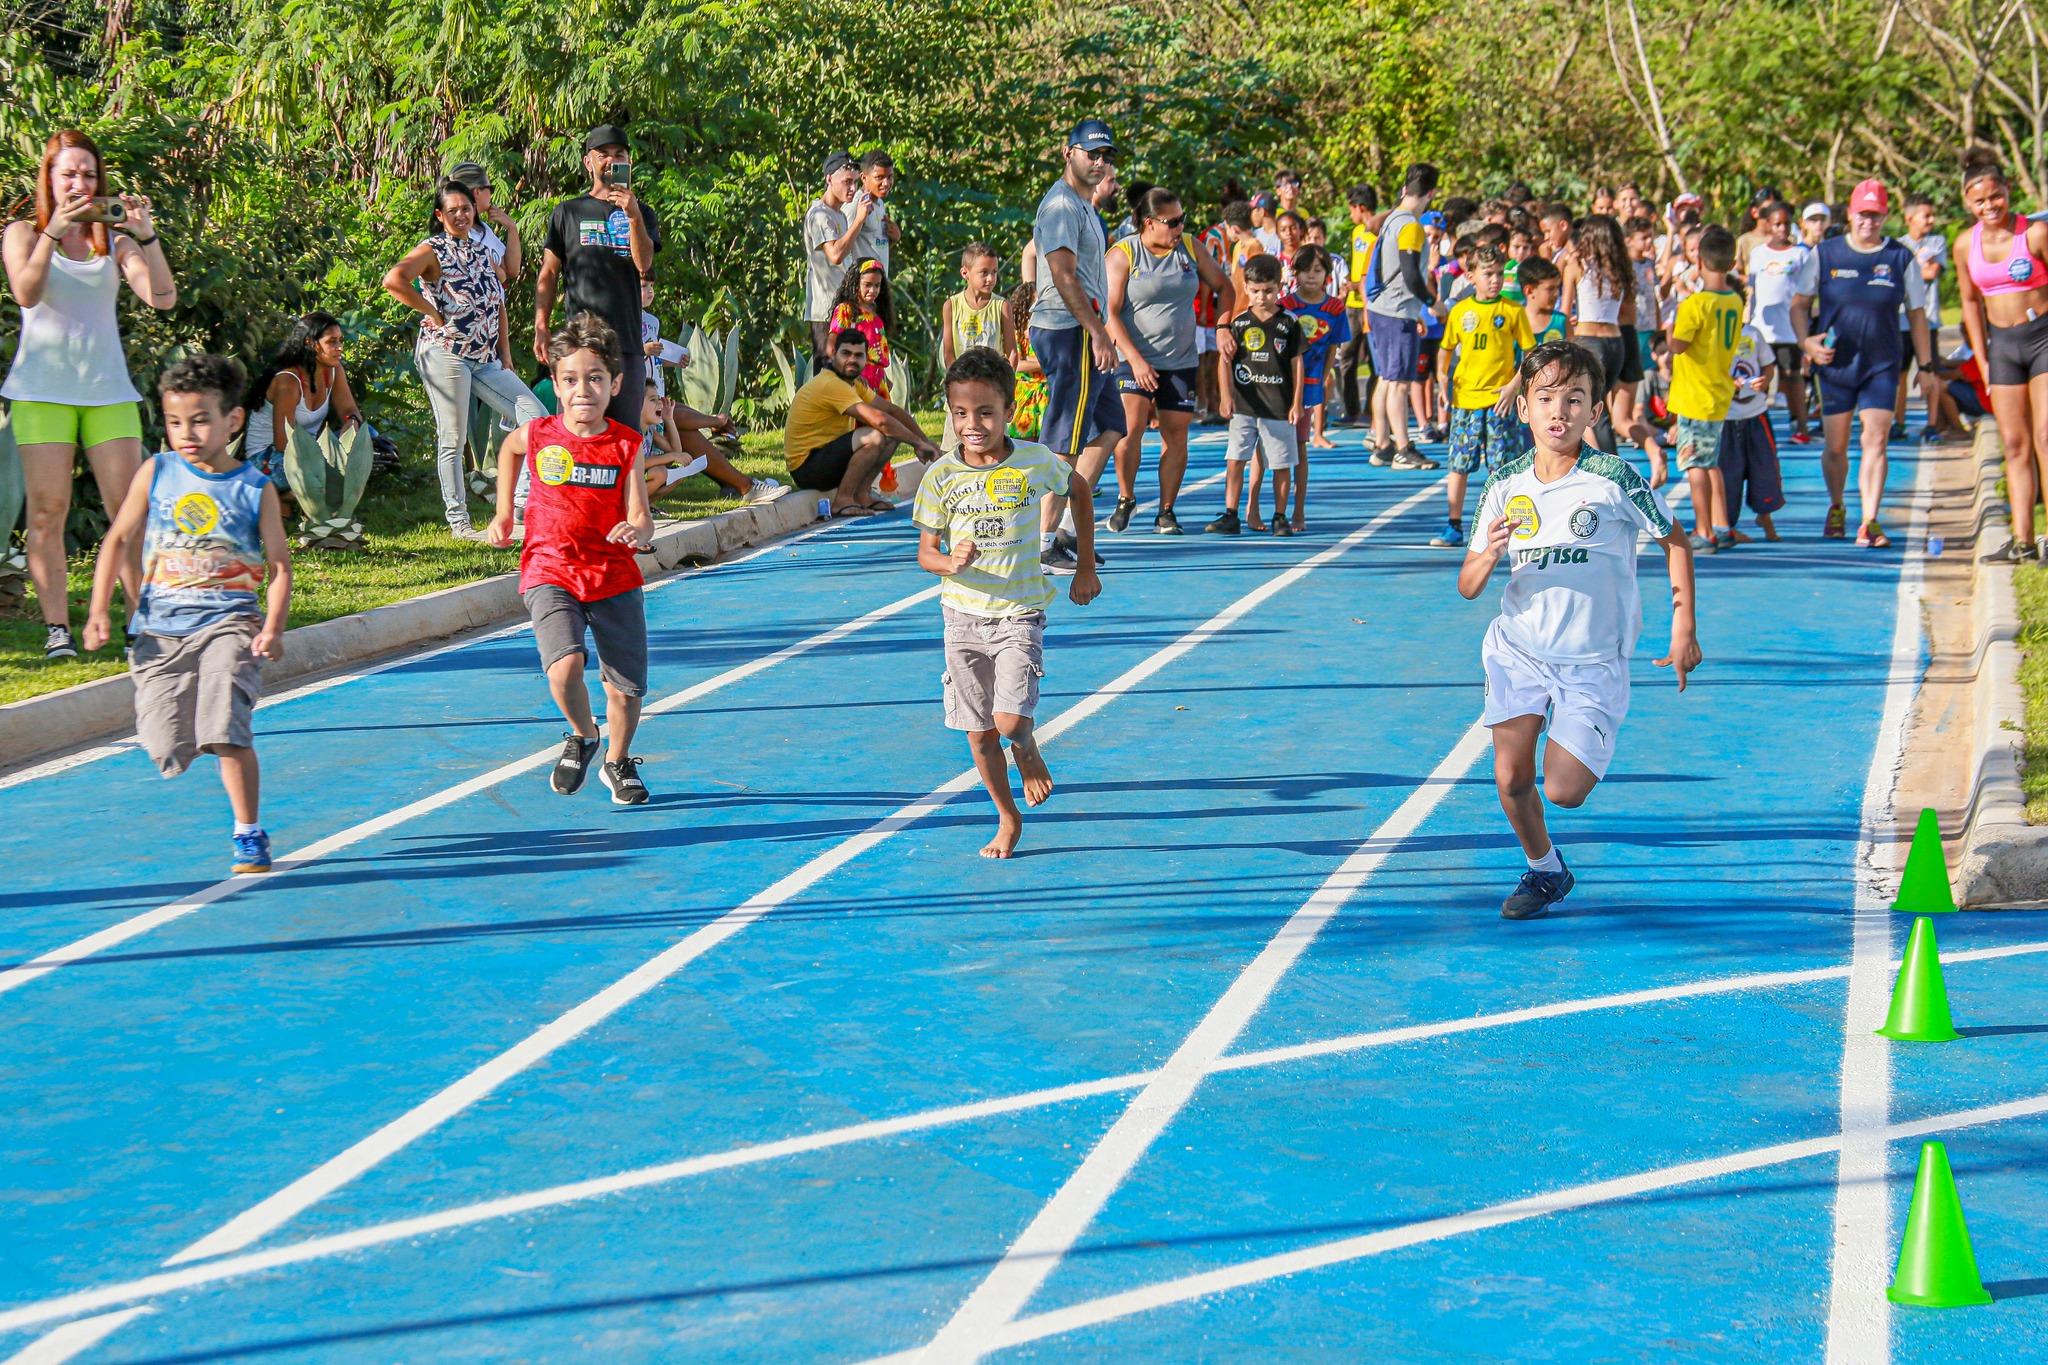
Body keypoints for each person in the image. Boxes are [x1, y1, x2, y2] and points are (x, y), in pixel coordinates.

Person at [1458, 340, 1700, 920]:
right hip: (1519, 648)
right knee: (1511, 777)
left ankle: (1568, 758)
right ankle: (1546, 871)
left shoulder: (1613, 479)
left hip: (1592, 659)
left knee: (1564, 790)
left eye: (1574, 398)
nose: (1558, 410)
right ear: (1525, 409)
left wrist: (1682, 624)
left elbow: (1676, 541)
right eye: (1545, 398)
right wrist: (1487, 558)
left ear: (1596, 412)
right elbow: (1467, 587)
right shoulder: (1503, 485)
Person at [83, 355, 290, 874]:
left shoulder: (255, 488)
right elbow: (118, 540)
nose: (186, 432)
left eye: (200, 420)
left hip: (229, 625)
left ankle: (248, 833)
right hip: (159, 630)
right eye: (175, 422)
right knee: (165, 746)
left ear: (232, 421)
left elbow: (280, 566)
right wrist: (97, 612)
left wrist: (272, 626)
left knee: (224, 730)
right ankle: (189, 730)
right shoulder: (157, 471)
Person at [913, 346, 1100, 859]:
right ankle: (1006, 815)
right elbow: (926, 552)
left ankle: (1027, 747)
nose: (972, 424)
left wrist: (1083, 564)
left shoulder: (1036, 460)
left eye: (985, 412)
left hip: (1020, 613)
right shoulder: (941, 478)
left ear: (1009, 412)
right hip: (962, 618)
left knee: (1011, 723)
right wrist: (951, 562)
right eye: (960, 413)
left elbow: (1079, 492)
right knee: (977, 735)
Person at [2, 128, 177, 660]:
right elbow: (26, 294)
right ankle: (58, 630)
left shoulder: (112, 240)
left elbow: (163, 299)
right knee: (46, 512)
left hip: (108, 392)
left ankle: (136, 623)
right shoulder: (21, 233)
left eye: (88, 174)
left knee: (127, 511)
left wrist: (146, 237)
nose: (79, 182)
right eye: (69, 173)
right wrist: (53, 233)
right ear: (49, 179)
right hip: (41, 392)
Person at [485, 313, 654, 805]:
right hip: (549, 570)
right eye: (572, 379)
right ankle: (583, 734)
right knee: (564, 667)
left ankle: (618, 762)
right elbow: (507, 450)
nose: (584, 390)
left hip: (612, 575)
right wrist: (502, 514)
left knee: (625, 690)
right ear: (556, 385)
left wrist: (635, 531)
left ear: (615, 384)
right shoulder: (538, 434)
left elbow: (641, 517)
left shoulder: (626, 444)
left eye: (596, 378)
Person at [386, 179, 549, 538]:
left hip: (485, 358)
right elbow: (394, 279)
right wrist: (433, 312)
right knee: (453, 438)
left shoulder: (479, 250)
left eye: (466, 208)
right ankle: (459, 521)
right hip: (446, 354)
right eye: (453, 210)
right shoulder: (432, 249)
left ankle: (521, 501)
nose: (461, 215)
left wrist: (504, 353)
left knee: (537, 418)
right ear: (440, 215)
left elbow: (498, 303)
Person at [1790, 178, 1931, 547]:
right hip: (1835, 364)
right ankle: (1837, 505)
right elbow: (1799, 305)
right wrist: (1807, 342)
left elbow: (1917, 314)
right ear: (1850, 215)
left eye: (1876, 215)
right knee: (1836, 447)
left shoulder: (1900, 258)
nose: (1868, 222)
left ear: (1885, 217)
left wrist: (1927, 367)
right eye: (1862, 214)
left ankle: (1870, 519)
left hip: (1882, 364)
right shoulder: (1826, 254)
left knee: (1876, 440)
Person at [1103, 187, 1230, 536]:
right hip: (1134, 359)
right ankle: (1126, 497)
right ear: (1149, 223)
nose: (1179, 227)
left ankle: (1166, 511)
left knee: (1176, 438)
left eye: (1182, 220)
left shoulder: (1190, 247)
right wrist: (1137, 360)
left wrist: (1223, 326)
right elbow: (1109, 315)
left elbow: (1225, 286)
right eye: (1172, 222)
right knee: (1129, 431)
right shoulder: (1123, 254)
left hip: (1180, 360)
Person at [1030, 118, 1126, 574]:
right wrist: (1097, 331)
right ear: (1068, 152)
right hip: (1068, 331)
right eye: (1092, 153)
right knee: (1065, 440)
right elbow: (1064, 277)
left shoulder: (1086, 205)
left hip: (1085, 330)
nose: (1100, 162)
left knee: (1110, 426)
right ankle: (1041, 543)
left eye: (1105, 155)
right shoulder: (1062, 206)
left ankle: (1067, 527)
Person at [535, 125, 661, 433]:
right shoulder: (568, 211)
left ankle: (624, 483)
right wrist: (541, 326)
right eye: (603, 154)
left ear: (629, 162)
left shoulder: (642, 213)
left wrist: (632, 216)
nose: (611, 160)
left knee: (625, 433)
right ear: (588, 163)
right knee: (579, 429)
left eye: (619, 155)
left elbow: (644, 264)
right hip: (580, 341)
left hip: (627, 342)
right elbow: (548, 274)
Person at [1957, 155, 2048, 563]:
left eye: (1997, 196)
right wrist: (1983, 358)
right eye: (1980, 201)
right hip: (2003, 348)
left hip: (2043, 337)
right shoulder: (1965, 244)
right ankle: (2023, 541)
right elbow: (1969, 302)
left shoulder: (2036, 234)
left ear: (2008, 192)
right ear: (1967, 202)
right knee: (2014, 443)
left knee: (2045, 437)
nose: (1990, 206)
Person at [1432, 244, 1533, 548]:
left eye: (1499, 273)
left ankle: (1506, 526)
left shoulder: (1512, 310)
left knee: (1502, 467)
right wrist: (1441, 380)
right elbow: (1446, 349)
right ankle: (1453, 525)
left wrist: (1515, 384)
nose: (1495, 280)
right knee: (1458, 465)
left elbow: (1529, 353)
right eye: (1488, 274)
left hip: (1500, 400)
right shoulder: (1461, 311)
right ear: (1471, 276)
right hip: (1465, 400)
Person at [784, 328, 939, 516]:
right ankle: (842, 500)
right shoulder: (830, 383)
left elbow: (892, 411)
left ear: (866, 359)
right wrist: (917, 443)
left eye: (858, 355)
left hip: (827, 459)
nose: (852, 360)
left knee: (894, 433)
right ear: (833, 356)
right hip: (807, 468)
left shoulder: (853, 384)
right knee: (876, 435)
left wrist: (924, 441)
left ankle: (862, 495)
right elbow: (880, 420)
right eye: (846, 353)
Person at [1209, 254, 1302, 537]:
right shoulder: (1238, 324)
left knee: (1281, 463)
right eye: (1256, 291)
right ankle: (1231, 513)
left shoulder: (1289, 323)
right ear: (1246, 289)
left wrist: (1296, 402)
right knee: (1236, 458)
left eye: (1269, 291)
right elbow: (1224, 361)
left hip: (1278, 406)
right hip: (1244, 406)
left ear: (1279, 287)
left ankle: (1280, 516)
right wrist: (1225, 396)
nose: (1262, 297)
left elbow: (1298, 363)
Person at [1666, 226, 1746, 552]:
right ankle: (1722, 524)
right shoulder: (1734, 300)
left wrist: (1675, 314)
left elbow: (1677, 345)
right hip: (1717, 392)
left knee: (1695, 463)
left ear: (1699, 259)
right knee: (1710, 462)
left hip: (1695, 394)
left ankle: (1704, 530)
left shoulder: (1695, 304)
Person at [243, 312, 365, 514]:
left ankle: (294, 498)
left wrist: (351, 423)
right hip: (269, 457)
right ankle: (281, 497)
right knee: (333, 471)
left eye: (340, 341)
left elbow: (350, 410)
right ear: (310, 343)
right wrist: (331, 456)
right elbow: (283, 443)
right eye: (331, 342)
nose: (340, 348)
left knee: (373, 441)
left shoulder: (333, 370)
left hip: (310, 451)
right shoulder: (288, 381)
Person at [1366, 162, 1443, 469]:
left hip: (1383, 308)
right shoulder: (1410, 225)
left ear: (1404, 190)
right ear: (1431, 194)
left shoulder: (1391, 219)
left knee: (1386, 378)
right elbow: (1411, 274)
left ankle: (1383, 443)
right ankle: (1403, 448)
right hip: (1397, 310)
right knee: (1398, 382)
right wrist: (1432, 303)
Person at [1282, 243, 1350, 528]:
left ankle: (1298, 511)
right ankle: (1263, 509)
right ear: (1294, 273)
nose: (1311, 276)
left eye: (1318, 271)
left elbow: (1334, 345)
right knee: (1269, 448)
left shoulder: (1334, 308)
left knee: (1299, 446)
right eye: (1305, 270)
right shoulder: (1285, 305)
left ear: (1328, 275)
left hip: (1309, 385)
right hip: (1280, 385)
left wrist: (1323, 378)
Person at [1744, 201, 1814, 442]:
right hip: (1762, 329)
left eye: (1786, 223)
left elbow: (1808, 293)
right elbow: (1751, 291)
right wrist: (1748, 320)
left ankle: (1800, 426)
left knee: (1791, 376)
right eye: (1777, 224)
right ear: (1767, 225)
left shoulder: (1801, 254)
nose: (1782, 229)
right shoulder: (1758, 254)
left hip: (1789, 329)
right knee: (1759, 379)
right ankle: (1756, 427)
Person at [940, 243, 1014, 454]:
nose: (991, 279)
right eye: (984, 272)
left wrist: (1007, 384)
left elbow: (1012, 352)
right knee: (953, 451)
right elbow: (948, 351)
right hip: (962, 389)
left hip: (992, 390)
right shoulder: (951, 306)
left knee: (995, 450)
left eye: (994, 272)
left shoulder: (1001, 306)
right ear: (965, 273)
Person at [1719, 315, 1784, 543]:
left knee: (1765, 469)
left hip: (1756, 414)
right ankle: (1727, 524)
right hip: (1724, 418)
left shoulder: (1752, 334)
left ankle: (1765, 516)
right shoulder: (1711, 336)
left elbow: (1768, 365)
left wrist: (1765, 380)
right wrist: (1728, 382)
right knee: (1728, 475)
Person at [804, 152, 874, 359]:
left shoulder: (840, 215)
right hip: (825, 313)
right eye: (846, 182)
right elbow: (835, 254)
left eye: (854, 182)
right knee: (827, 377)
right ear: (829, 179)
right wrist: (859, 221)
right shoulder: (819, 215)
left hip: (844, 309)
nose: (852, 188)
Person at [1899, 192, 1950, 440]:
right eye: (1925, 215)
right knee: (1899, 374)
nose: (1931, 220)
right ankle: (1898, 424)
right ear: (1909, 218)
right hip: (1900, 320)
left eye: (1932, 215)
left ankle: (1931, 425)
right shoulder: (1897, 244)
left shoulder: (1936, 242)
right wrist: (1917, 269)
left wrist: (1909, 271)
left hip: (1928, 318)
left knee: (1931, 371)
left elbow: (1931, 272)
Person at [1337, 184, 1381, 425]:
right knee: (1347, 357)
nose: (1351, 215)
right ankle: (1350, 411)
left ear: (1361, 208)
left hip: (1373, 306)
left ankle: (1369, 411)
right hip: (1352, 306)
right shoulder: (1356, 233)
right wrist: (1349, 285)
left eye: (1351, 210)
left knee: (1376, 362)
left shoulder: (1380, 232)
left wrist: (1360, 285)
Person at [828, 257, 895, 396]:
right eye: (867, 285)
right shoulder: (845, 311)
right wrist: (848, 374)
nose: (873, 290)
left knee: (881, 417)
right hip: (857, 378)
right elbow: (831, 347)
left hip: (879, 381)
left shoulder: (877, 314)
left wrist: (885, 378)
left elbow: (877, 354)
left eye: (877, 285)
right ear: (854, 284)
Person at [446, 162, 522, 282]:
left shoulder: (482, 229)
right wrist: (499, 271)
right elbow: (500, 276)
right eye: (490, 189)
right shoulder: (460, 231)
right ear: (477, 192)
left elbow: (512, 270)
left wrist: (511, 227)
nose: (491, 194)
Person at [1007, 281, 1048, 442]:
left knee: (1047, 447)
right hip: (1025, 395)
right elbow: (1015, 364)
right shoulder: (1016, 332)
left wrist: (1030, 360)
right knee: (1024, 445)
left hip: (1047, 394)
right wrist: (1045, 362)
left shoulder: (1048, 329)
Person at [849, 150, 902, 272]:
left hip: (877, 286)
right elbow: (842, 250)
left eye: (890, 177)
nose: (886, 183)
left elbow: (873, 247)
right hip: (861, 286)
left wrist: (894, 238)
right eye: (879, 178)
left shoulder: (880, 204)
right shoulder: (856, 204)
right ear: (863, 177)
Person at [1520, 254, 1567, 345]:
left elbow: (1573, 356)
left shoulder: (1561, 321)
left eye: (1557, 287)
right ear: (1529, 291)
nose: (1556, 293)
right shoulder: (1514, 321)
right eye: (1550, 289)